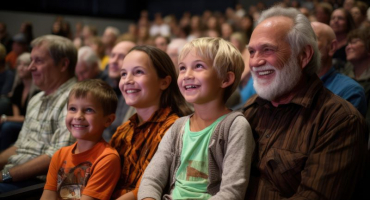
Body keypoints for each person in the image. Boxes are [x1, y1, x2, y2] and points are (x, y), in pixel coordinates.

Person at [243, 6, 368, 200]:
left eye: (267, 50)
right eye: (251, 52)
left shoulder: (340, 120)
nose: (255, 62)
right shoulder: (250, 109)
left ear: (304, 56)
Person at [138, 37, 255, 200]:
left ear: (226, 79)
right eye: (182, 68)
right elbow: (151, 179)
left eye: (198, 66)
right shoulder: (178, 126)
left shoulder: (235, 126)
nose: (186, 75)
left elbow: (231, 193)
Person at [110, 45, 192, 200]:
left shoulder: (175, 128)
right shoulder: (124, 129)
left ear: (164, 82)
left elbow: (148, 188)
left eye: (138, 72)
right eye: (123, 74)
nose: (128, 80)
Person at [0, 35, 77, 193]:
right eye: (31, 60)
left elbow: (57, 157)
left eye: (39, 61)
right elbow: (19, 146)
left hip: (37, 185)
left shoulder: (76, 100)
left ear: (63, 64)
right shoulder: (36, 98)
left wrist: (5, 175)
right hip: (15, 176)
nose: (30, 67)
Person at [41, 79, 120, 200]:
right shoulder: (59, 155)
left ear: (108, 120)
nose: (78, 116)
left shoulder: (107, 158)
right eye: (72, 109)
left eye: (89, 110)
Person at [311, 21, 367, 116]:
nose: (303, 45)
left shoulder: (349, 90)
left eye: (312, 38)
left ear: (332, 47)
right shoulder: (290, 85)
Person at [0, 53, 40, 151]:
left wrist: (5, 118)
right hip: (20, 122)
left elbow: (29, 118)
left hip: (33, 124)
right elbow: (17, 116)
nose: (21, 68)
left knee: (7, 126)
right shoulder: (18, 88)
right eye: (19, 64)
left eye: (25, 65)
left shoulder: (38, 91)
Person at [102, 41, 136, 141]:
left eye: (121, 57)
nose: (114, 61)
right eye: (112, 56)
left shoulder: (136, 95)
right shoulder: (102, 87)